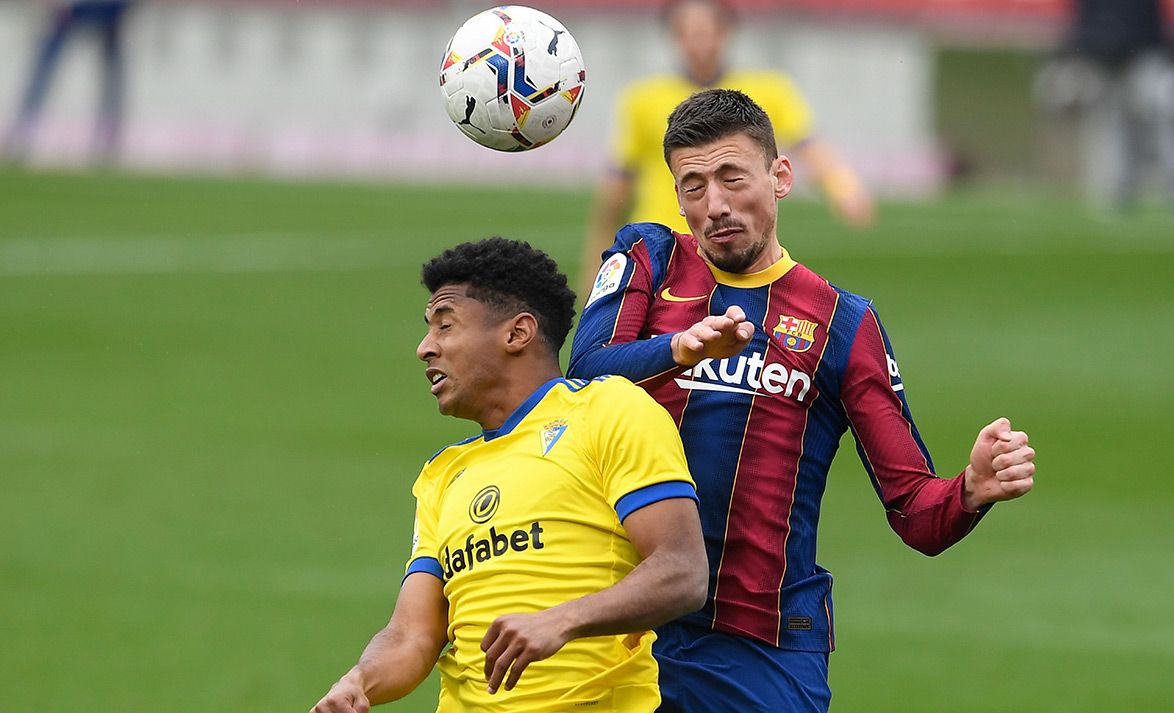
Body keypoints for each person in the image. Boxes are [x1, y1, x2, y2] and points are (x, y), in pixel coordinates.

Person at [568, 89, 1036, 712]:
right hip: (619, 628)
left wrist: (972, 488)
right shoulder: (649, 258)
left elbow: (917, 514)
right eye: (693, 187)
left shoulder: (842, 322)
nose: (715, 206)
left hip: (759, 644)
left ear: (780, 176)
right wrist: (679, 349)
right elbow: (584, 373)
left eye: (733, 178)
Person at [310, 238, 707, 713]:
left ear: (517, 333)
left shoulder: (609, 411)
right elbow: (412, 634)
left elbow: (683, 571)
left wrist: (562, 620)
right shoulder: (443, 474)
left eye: (445, 325)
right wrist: (360, 681)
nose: (424, 348)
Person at [581, 0, 874, 289]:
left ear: (726, 33)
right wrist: (599, 251)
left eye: (707, 31)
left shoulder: (768, 90)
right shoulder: (642, 99)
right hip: (664, 247)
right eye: (689, 33)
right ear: (675, 36)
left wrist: (842, 185)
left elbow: (808, 143)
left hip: (732, 240)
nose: (700, 42)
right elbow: (619, 181)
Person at [1036, 0, 1174, 209]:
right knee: (1114, 125)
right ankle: (1120, 190)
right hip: (1103, 59)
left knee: (1167, 111)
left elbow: (1154, 20)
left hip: (1145, 55)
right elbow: (1082, 20)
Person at [2, 1, 135, 162]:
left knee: (112, 77)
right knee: (43, 74)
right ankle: (22, 133)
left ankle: (109, 139)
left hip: (109, 9)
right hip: (69, 9)